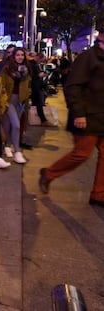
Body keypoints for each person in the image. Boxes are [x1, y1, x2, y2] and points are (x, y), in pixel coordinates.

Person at [39, 31, 104, 207]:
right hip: (87, 116)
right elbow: (72, 87)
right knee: (81, 154)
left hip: (101, 115)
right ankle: (48, 174)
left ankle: (99, 194)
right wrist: (79, 113)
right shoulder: (87, 57)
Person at [0, 47, 31, 164]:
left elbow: (28, 84)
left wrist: (28, 94)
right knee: (16, 125)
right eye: (17, 55)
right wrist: (3, 100)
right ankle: (17, 152)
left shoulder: (26, 70)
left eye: (22, 55)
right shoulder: (7, 69)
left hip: (21, 100)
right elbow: (1, 85)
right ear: (13, 56)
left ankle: (7, 146)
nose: (20, 57)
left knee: (9, 125)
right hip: (9, 99)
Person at [28, 52, 54, 127]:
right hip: (34, 87)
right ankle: (43, 120)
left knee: (38, 103)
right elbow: (32, 76)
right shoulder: (31, 64)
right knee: (39, 103)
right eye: (41, 60)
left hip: (37, 86)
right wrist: (39, 75)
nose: (41, 62)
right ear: (38, 57)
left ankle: (38, 119)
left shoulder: (35, 64)